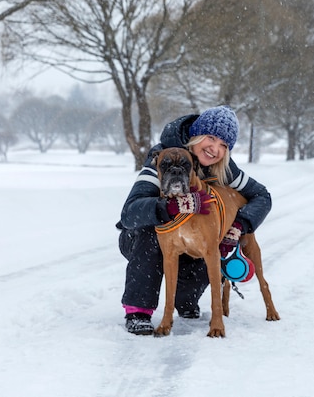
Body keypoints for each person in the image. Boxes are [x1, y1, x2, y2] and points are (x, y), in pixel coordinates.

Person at [116, 105, 272, 335]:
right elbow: (129, 213)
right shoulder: (162, 158)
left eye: (223, 145)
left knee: (209, 248)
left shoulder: (223, 168)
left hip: (192, 238)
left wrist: (238, 226)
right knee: (151, 231)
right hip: (143, 238)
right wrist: (169, 207)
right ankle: (138, 310)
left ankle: (185, 301)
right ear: (196, 135)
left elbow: (262, 196)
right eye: (210, 138)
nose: (214, 149)